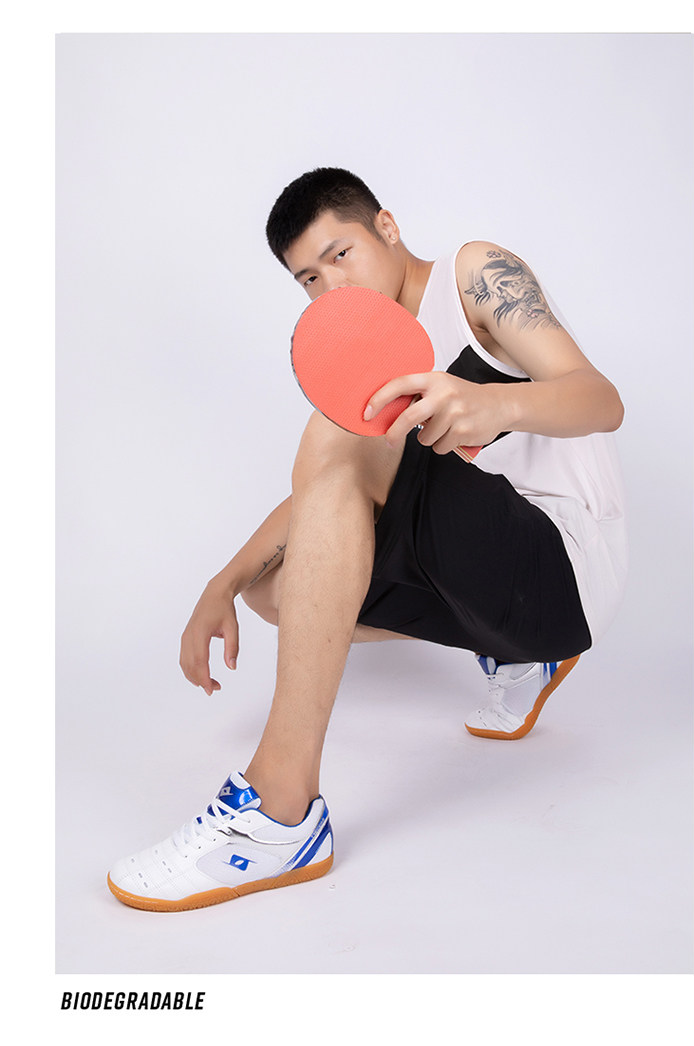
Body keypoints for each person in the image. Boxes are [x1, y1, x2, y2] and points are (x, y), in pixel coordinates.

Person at [107, 167, 627, 912]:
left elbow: (601, 399)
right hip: (497, 589)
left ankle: (280, 811)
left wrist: (493, 403)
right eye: (309, 280)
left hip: (562, 567)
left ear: (387, 226)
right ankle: (519, 658)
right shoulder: (368, 354)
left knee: (338, 431)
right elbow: (324, 498)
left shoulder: (473, 276)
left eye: (340, 255)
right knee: (272, 590)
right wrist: (221, 584)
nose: (332, 288)